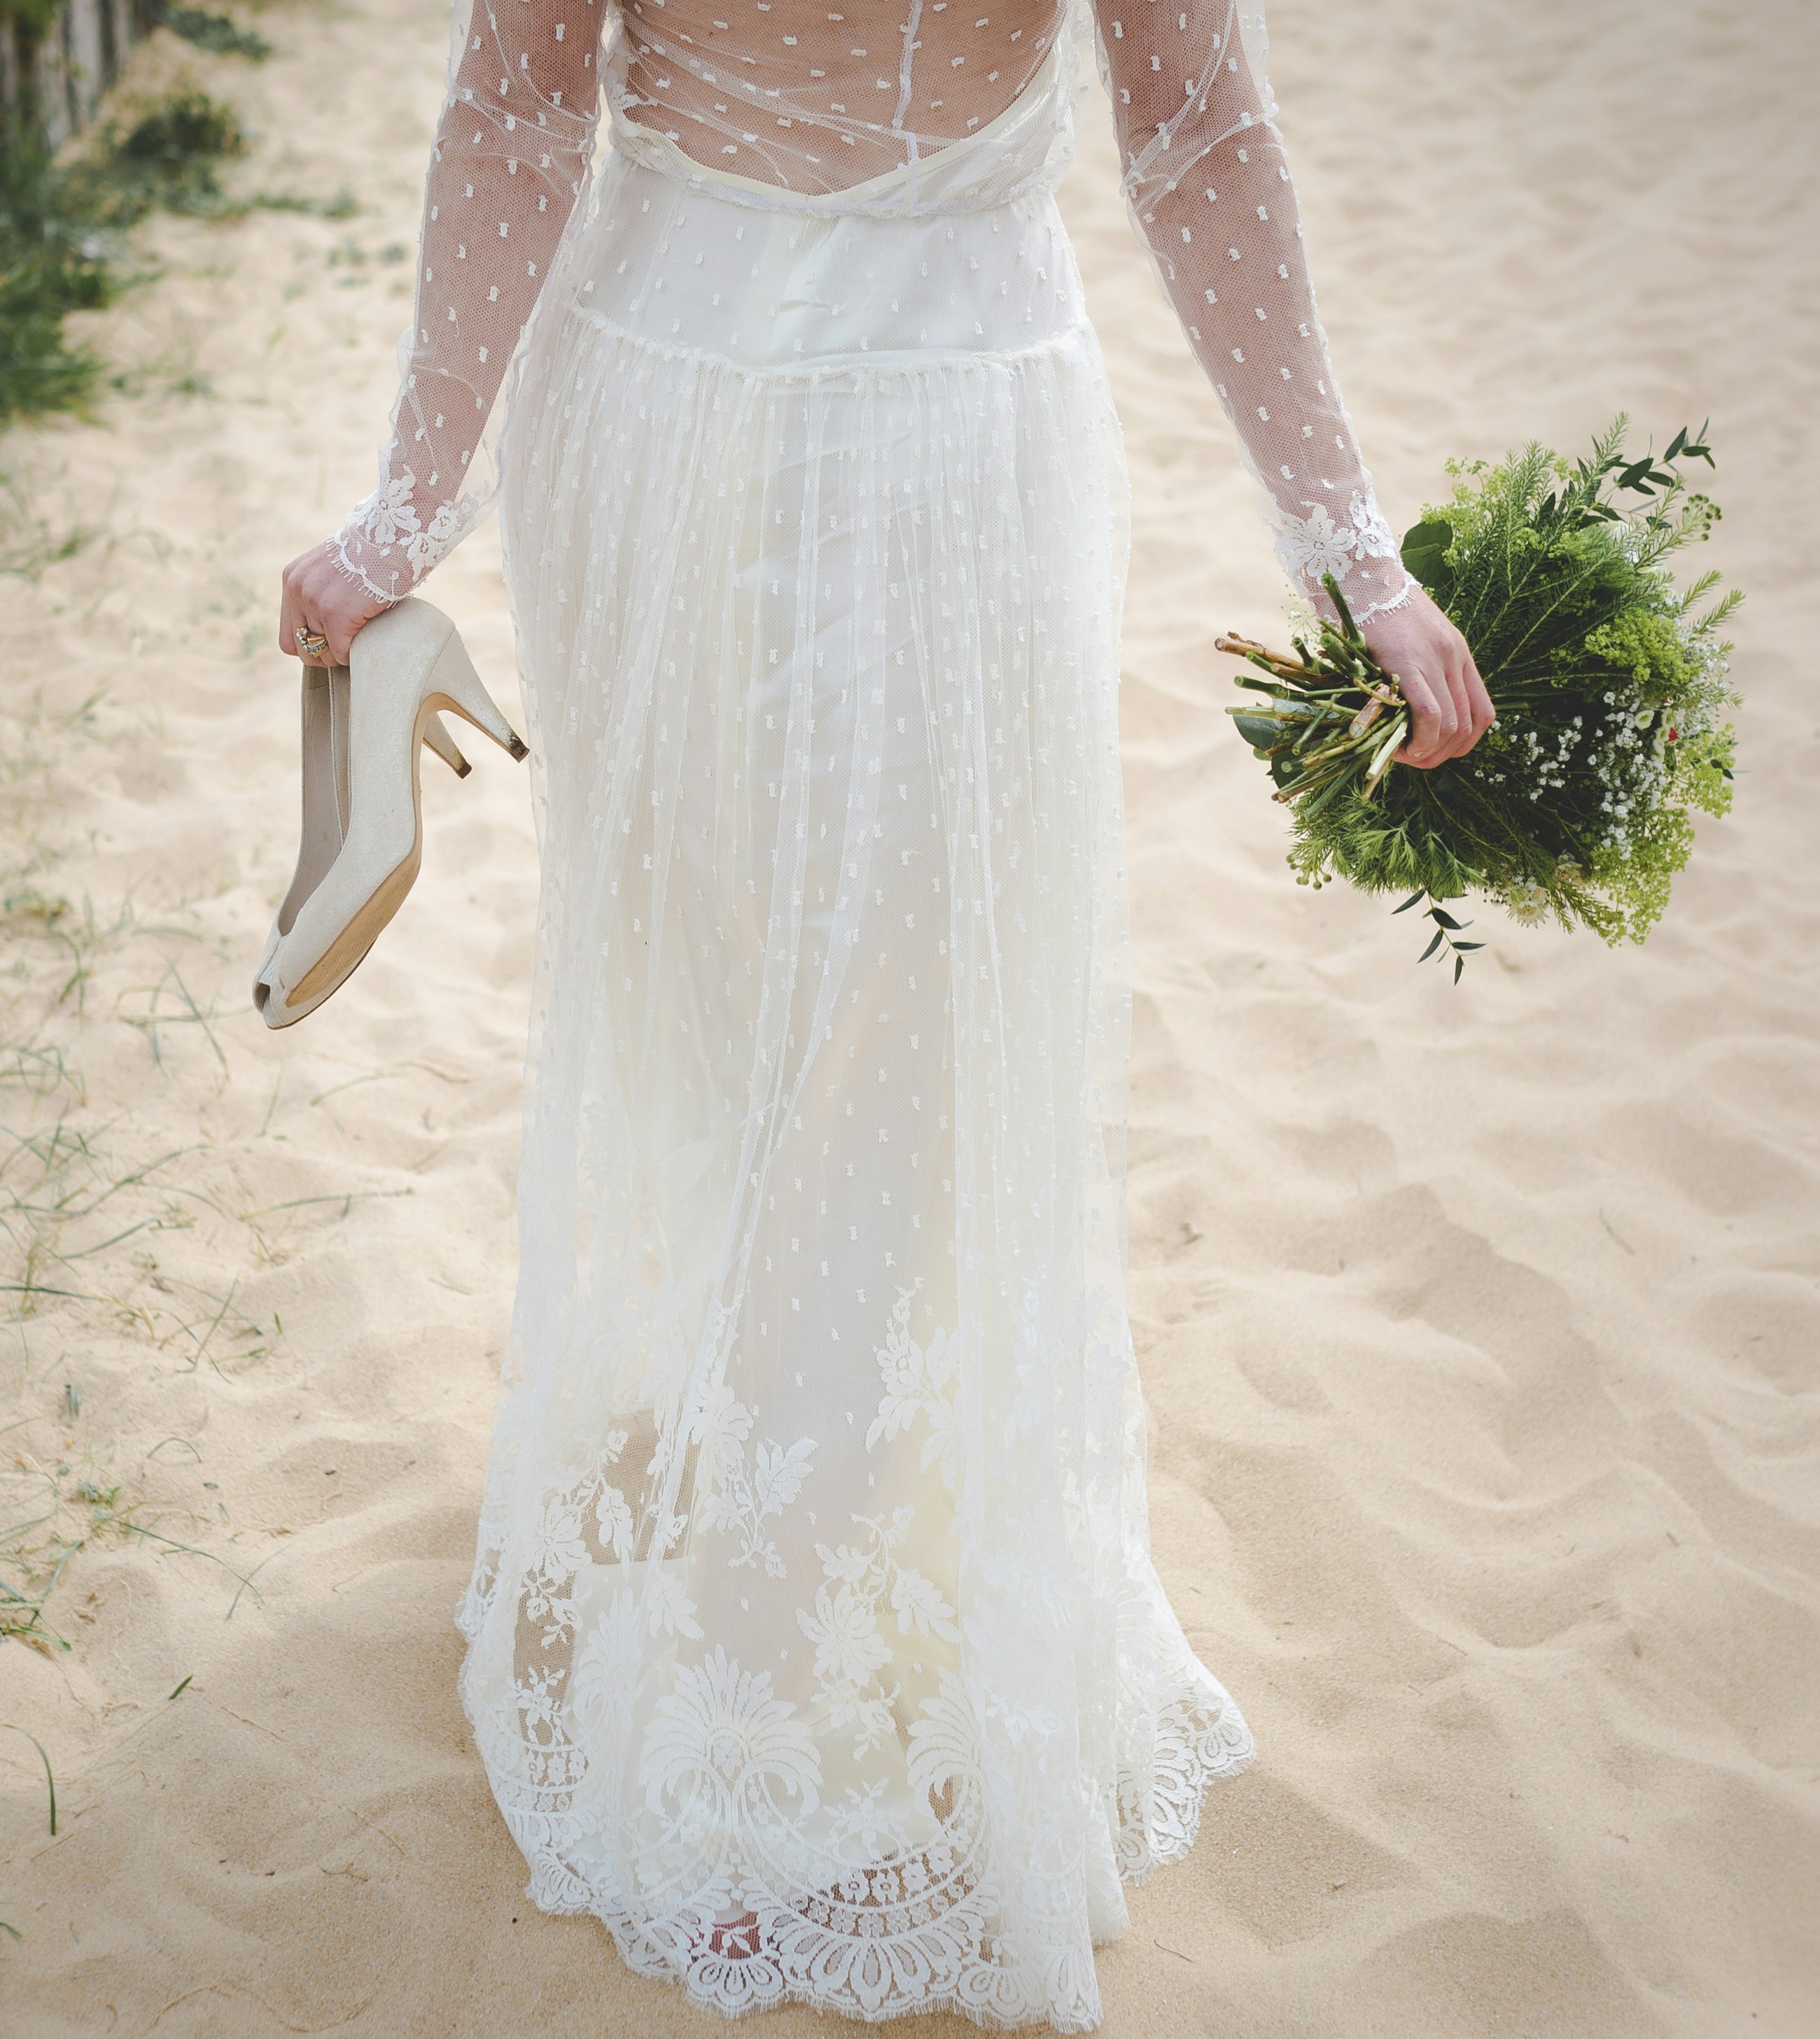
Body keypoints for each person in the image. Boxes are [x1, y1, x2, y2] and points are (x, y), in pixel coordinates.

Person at [272, 0, 1488, 2024]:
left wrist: (1349, 548)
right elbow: (519, 88)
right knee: (734, 1000)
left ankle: (764, 1679)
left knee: (893, 1031)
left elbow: (1194, 122)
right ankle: (730, 1477)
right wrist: (408, 503)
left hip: (927, 423)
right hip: (688, 403)